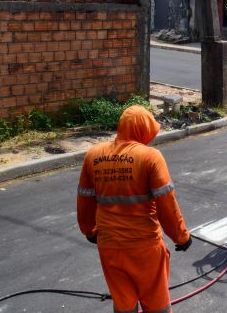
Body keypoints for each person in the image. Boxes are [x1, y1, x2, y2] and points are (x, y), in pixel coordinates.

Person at [77, 105, 191, 313]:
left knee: (123, 302)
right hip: (144, 246)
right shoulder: (150, 157)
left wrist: (89, 230)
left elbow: (85, 199)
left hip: (109, 245)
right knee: (156, 303)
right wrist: (181, 237)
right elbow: (167, 204)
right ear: (143, 129)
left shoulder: (94, 155)